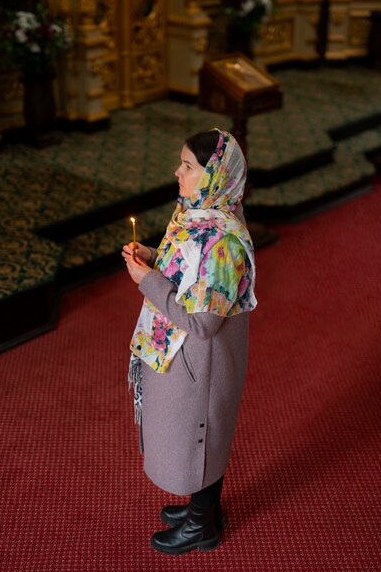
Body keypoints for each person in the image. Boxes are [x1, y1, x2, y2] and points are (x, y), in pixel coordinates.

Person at [122, 128, 257, 555]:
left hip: (201, 360)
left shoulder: (223, 243)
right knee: (199, 439)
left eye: (189, 167)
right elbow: (186, 266)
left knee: (201, 439)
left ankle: (202, 527)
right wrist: (153, 256)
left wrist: (149, 283)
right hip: (184, 356)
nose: (177, 173)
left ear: (215, 175)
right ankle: (203, 511)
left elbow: (201, 323)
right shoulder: (200, 214)